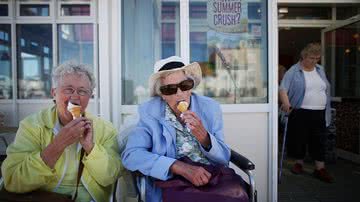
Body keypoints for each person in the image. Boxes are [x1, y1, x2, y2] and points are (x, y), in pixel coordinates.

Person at [121, 56, 248, 202]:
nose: (179, 93)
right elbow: (131, 155)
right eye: (170, 89)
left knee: (237, 195)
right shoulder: (149, 112)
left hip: (211, 177)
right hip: (172, 183)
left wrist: (205, 138)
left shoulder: (210, 108)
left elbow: (224, 158)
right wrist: (177, 166)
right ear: (162, 95)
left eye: (185, 85)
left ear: (191, 88)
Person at [1, 61, 122, 201]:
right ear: (54, 93)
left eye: (82, 91)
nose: (75, 96)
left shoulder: (105, 129)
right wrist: (58, 144)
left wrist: (91, 147)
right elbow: (13, 181)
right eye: (68, 89)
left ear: (90, 97)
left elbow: (110, 177)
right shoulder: (32, 126)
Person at [279, 42, 333, 183]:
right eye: (311, 58)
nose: (314, 61)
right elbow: (283, 88)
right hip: (300, 111)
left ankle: (320, 168)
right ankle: (299, 163)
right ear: (303, 56)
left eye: (317, 58)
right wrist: (286, 102)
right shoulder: (294, 70)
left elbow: (325, 88)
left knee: (319, 140)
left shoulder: (320, 70)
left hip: (320, 112)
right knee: (300, 139)